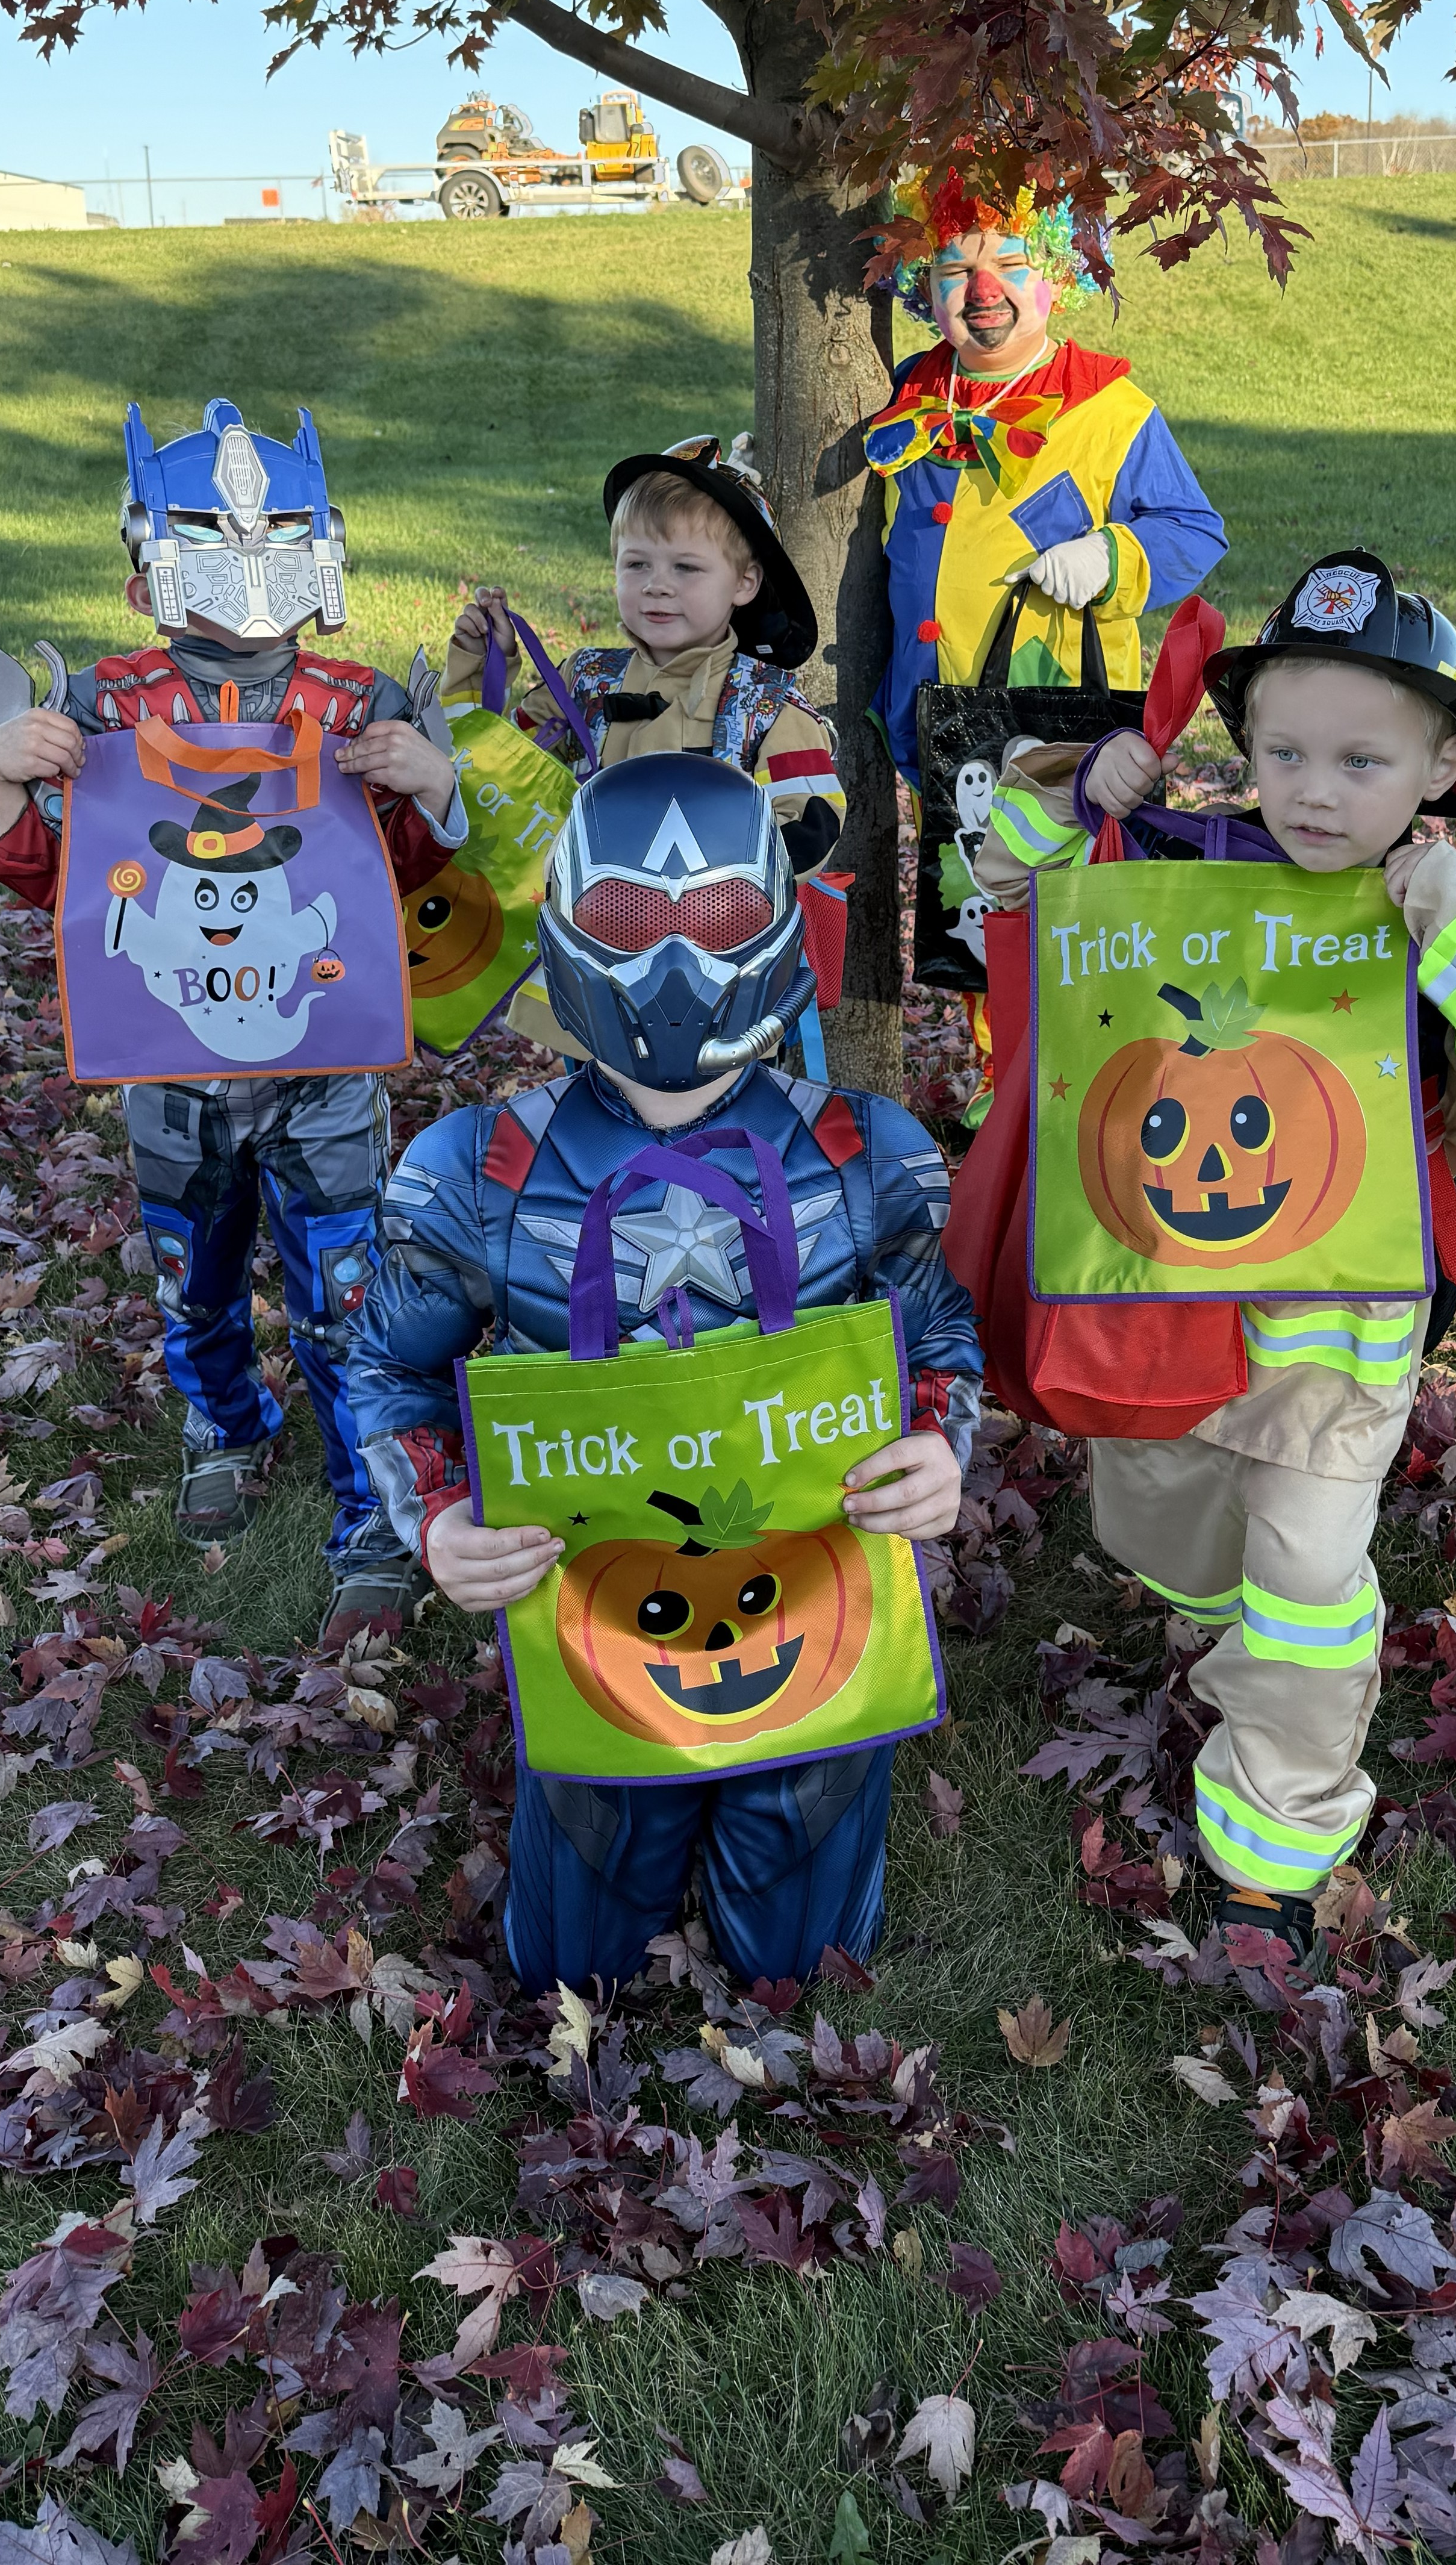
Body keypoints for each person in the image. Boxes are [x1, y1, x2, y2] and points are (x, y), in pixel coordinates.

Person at [973, 548, 1456, 1948]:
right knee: (1163, 1518)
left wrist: (1455, 920)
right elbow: (1007, 905)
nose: (1318, 791)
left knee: (1310, 1585)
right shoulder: (1179, 868)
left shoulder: (1435, 915)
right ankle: (1216, 1618)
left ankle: (1274, 1829)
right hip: (1160, 1308)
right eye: (1284, 751)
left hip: (1341, 1331)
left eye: (1361, 759)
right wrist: (1072, 807)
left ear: (1442, 763)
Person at [349, 753, 980, 1992]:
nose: (679, 961)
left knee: (803, 1966)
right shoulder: (475, 1171)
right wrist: (433, 1522)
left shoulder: (869, 1157)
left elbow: (937, 1342)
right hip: (591, 1617)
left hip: (815, 1605)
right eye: (635, 917)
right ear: (574, 923)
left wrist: (942, 1446)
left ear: (779, 920)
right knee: (563, 1965)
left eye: (723, 918)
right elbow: (391, 1371)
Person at [0, 396, 465, 1644]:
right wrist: (3, 775)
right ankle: (224, 1420)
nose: (246, 562)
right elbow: (56, 884)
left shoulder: (363, 706)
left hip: (326, 1063)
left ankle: (374, 1513)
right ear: (145, 571)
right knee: (197, 1280)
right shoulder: (101, 706)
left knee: (350, 1294)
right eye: (207, 536)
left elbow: (413, 885)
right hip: (172, 1065)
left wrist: (431, 786)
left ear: (321, 547)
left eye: (276, 533)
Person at [443, 431, 849, 1029]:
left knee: (709, 1117)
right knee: (596, 1112)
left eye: (686, 567)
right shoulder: (585, 685)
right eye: (637, 564)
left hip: (719, 981)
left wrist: (723, 889)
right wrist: (482, 667)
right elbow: (494, 770)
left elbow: (814, 820)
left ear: (744, 583)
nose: (657, 584)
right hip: (589, 970)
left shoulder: (765, 706)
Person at [863, 172, 1227, 774]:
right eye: (954, 272)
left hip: (1056, 725)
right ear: (921, 285)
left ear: (1059, 275)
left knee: (1057, 867)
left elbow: (1194, 530)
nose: (983, 289)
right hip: (928, 715)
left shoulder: (1109, 408)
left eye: (1011, 265)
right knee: (952, 866)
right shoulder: (906, 393)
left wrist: (1109, 559)